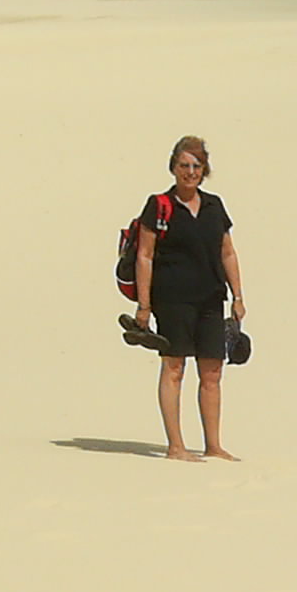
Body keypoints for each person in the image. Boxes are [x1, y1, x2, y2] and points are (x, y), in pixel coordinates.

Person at [122, 135, 244, 461]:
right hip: (172, 299)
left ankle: (213, 445)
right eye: (184, 165)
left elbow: (227, 252)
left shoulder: (215, 206)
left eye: (196, 166)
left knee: (212, 373)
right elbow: (144, 256)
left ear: (204, 170)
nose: (190, 172)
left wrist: (238, 295)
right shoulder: (158, 205)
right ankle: (175, 446)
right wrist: (144, 306)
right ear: (173, 168)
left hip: (211, 298)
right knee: (174, 367)